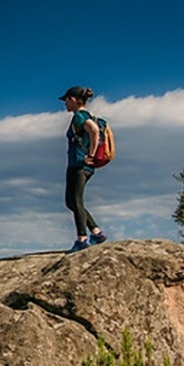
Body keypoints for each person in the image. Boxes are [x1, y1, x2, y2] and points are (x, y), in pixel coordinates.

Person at [60, 86, 107, 252]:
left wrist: (91, 155)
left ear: (73, 99)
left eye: (66, 100)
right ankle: (96, 232)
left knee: (76, 200)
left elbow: (94, 131)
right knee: (71, 201)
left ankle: (82, 238)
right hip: (78, 165)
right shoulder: (83, 116)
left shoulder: (80, 116)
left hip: (80, 164)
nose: (64, 103)